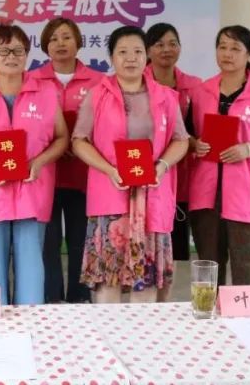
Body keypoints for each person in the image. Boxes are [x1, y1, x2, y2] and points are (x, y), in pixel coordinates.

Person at [71, 26, 189, 303]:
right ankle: (108, 330)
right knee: (109, 278)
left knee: (145, 279)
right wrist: (109, 170)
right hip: (110, 194)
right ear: (112, 57)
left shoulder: (165, 96)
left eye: (137, 51)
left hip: (152, 196)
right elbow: (79, 141)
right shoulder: (97, 95)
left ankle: (143, 330)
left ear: (146, 55)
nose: (131, 58)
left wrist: (162, 165)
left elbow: (181, 140)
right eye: (122, 52)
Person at [0, 24, 68, 306]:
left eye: (18, 51)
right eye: (3, 51)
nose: (11, 57)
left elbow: (62, 137)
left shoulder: (46, 92)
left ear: (27, 55)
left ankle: (30, 324)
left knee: (31, 267)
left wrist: (39, 162)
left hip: (32, 189)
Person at [187, 26, 250, 286]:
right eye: (222, 47)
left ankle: (245, 311)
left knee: (246, 266)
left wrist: (249, 149)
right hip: (206, 193)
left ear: (249, 54)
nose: (227, 54)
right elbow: (187, 135)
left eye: (235, 48)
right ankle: (209, 310)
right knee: (208, 266)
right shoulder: (200, 93)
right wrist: (195, 144)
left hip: (247, 193)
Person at [29, 18, 103, 303]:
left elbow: (106, 124)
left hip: (84, 175)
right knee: (46, 243)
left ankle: (79, 299)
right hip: (43, 174)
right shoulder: (32, 80)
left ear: (78, 42)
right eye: (54, 38)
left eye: (66, 37)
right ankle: (50, 298)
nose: (60, 43)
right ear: (45, 45)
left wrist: (80, 143)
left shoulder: (99, 81)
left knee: (81, 241)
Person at [146, 22, 202, 262]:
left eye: (172, 44)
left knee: (177, 240)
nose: (166, 49)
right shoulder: (135, 83)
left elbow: (199, 128)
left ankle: (174, 283)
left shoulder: (195, 86)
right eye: (159, 44)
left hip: (184, 175)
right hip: (145, 173)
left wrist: (196, 143)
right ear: (148, 50)